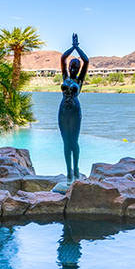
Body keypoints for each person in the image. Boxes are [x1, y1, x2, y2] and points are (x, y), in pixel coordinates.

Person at [59, 33, 89, 181]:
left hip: (75, 111)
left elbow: (86, 60)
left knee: (74, 141)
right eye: (72, 65)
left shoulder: (80, 79)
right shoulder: (65, 76)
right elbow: (62, 58)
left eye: (76, 66)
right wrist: (72, 47)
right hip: (63, 111)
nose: (73, 67)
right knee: (66, 141)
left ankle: (76, 167)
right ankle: (68, 171)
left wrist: (78, 47)